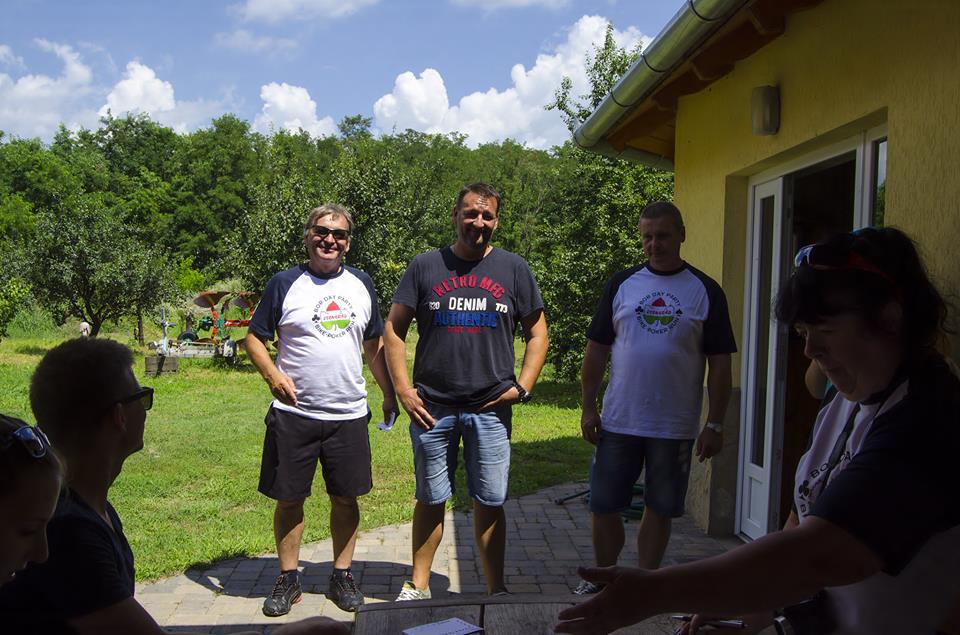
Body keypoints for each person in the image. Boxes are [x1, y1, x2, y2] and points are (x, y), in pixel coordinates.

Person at [555, 226, 960, 635]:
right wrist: (749, 608)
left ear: (889, 318)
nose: (810, 351)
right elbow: (801, 519)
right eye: (803, 334)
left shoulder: (927, 419)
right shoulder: (847, 397)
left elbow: (816, 556)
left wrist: (656, 592)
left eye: (826, 331)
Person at [0, 338, 349, 635]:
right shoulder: (72, 534)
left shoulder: (88, 508)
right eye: (143, 397)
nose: (146, 409)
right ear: (119, 416)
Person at [384, 182, 549, 600]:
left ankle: (496, 589)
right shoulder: (426, 266)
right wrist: (403, 390)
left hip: (490, 409)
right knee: (430, 497)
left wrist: (523, 387)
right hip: (432, 408)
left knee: (490, 500)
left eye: (487, 215)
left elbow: (538, 333)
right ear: (455, 216)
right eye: (471, 213)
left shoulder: (514, 269)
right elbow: (394, 328)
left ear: (496, 221)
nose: (479, 222)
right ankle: (419, 585)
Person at [575, 201, 735, 593]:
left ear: (682, 234)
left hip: (674, 425)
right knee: (603, 504)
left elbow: (720, 364)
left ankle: (644, 585)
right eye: (647, 237)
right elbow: (596, 350)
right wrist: (588, 407)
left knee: (660, 508)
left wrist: (715, 423)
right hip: (619, 421)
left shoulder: (705, 290)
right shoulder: (622, 284)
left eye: (662, 236)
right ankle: (605, 578)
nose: (654, 245)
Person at [245, 203, 397, 616]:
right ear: (308, 235)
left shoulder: (362, 283)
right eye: (322, 231)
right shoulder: (284, 283)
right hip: (294, 415)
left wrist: (388, 392)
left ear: (348, 242)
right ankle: (288, 578)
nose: (330, 239)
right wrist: (273, 376)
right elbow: (254, 338)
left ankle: (341, 575)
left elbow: (373, 345)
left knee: (345, 499)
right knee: (289, 499)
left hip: (347, 415)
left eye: (339, 234)